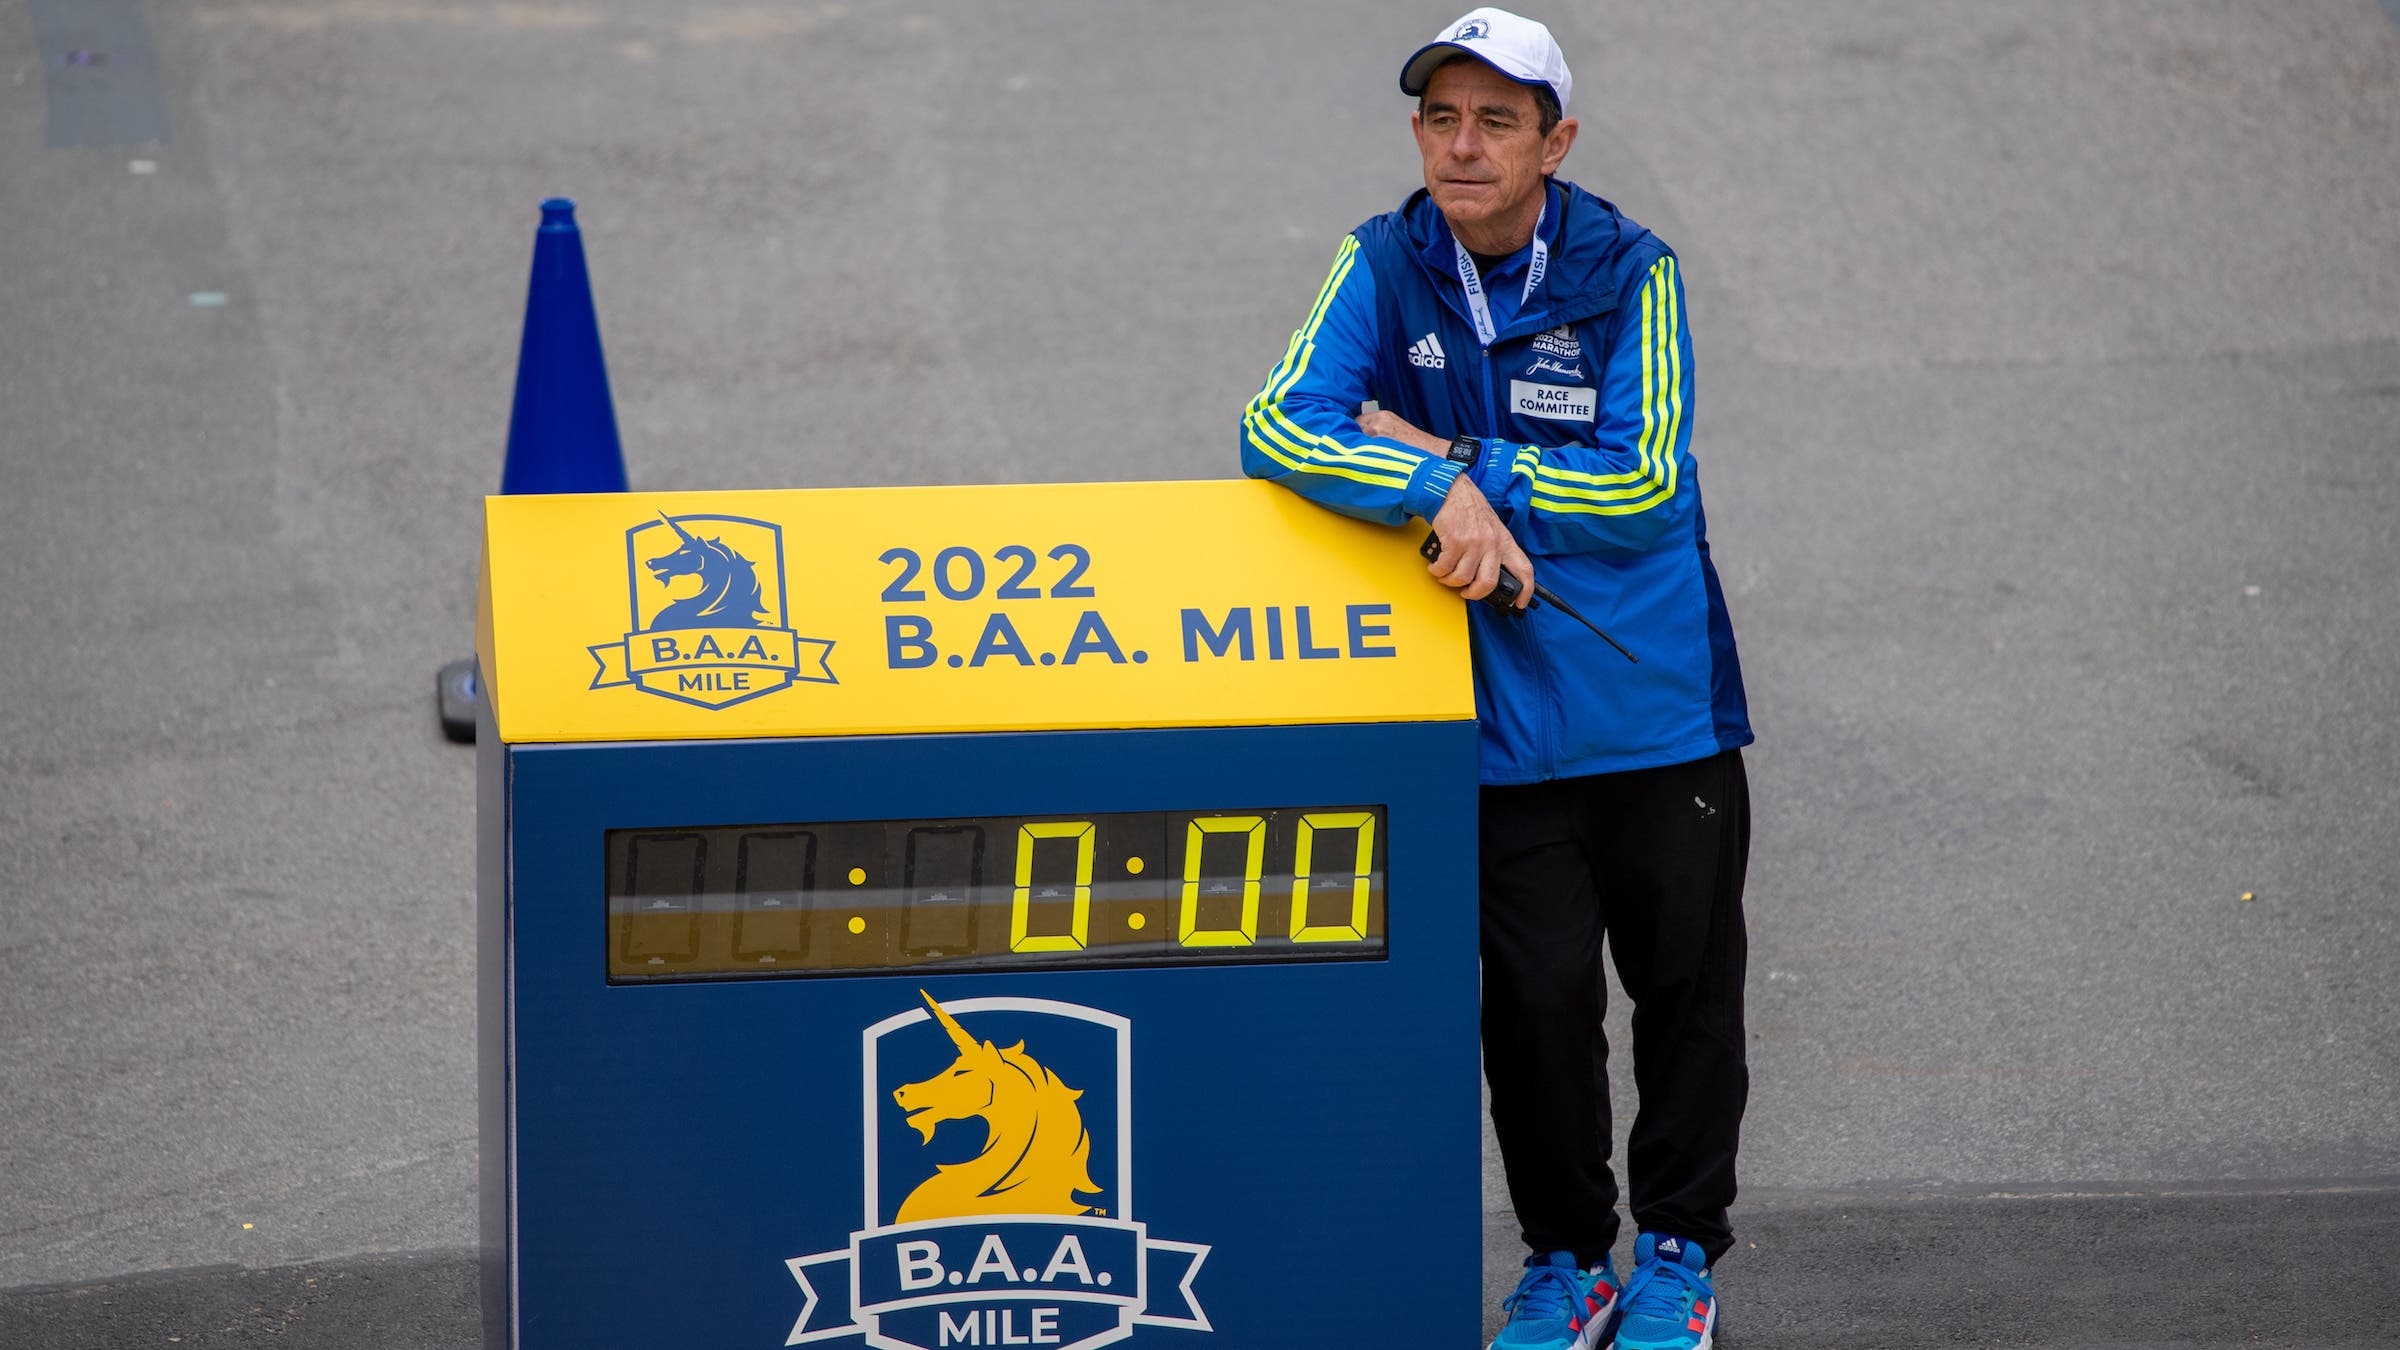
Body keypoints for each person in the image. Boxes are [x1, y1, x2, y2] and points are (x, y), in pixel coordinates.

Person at [1237, 9, 1754, 1350]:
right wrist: (1430, 485)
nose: (1464, 148)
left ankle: (1681, 1252)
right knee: (1532, 1009)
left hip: (1656, 714)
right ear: (1419, 133)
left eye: (1497, 122)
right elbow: (1276, 421)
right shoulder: (1382, 259)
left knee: (1685, 998)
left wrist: (1467, 460)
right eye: (1442, 120)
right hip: (1500, 729)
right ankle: (1569, 1257)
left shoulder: (1633, 271)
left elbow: (1644, 488)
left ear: (1553, 141)